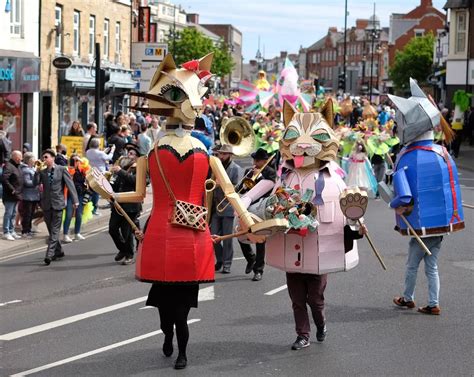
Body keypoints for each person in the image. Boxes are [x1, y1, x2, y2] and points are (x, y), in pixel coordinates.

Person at [387, 79, 464, 315]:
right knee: (432, 266)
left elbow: (404, 197)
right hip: (441, 224)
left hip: (421, 224)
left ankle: (408, 298)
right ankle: (433, 302)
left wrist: (391, 201)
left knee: (412, 265)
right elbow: (451, 187)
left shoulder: (408, 155)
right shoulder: (443, 152)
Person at [34, 149, 79, 265]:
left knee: (54, 231)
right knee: (51, 230)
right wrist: (37, 171)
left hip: (58, 203)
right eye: (43, 157)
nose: (44, 159)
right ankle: (59, 251)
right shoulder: (42, 172)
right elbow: (35, 183)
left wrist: (75, 200)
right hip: (47, 204)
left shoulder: (62, 169)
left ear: (53, 158)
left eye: (46, 157)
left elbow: (70, 185)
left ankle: (49, 255)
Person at [238, 148, 276, 281]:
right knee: (240, 234)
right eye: (254, 159)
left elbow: (270, 189)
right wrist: (248, 179)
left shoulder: (270, 172)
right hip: (248, 206)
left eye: (258, 160)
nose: (255, 162)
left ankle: (258, 269)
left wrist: (259, 177)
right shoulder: (249, 171)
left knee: (260, 239)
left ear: (265, 161)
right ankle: (250, 258)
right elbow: (241, 189)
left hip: (262, 208)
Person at [210, 144, 242, 273]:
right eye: (220, 154)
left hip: (228, 207)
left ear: (230, 155)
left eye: (224, 154)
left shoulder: (236, 169)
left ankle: (227, 264)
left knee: (227, 238)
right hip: (215, 207)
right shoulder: (215, 167)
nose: (221, 156)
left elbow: (237, 188)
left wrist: (221, 184)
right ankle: (220, 260)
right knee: (213, 237)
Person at [108, 143, 142, 265]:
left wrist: (120, 171)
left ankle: (129, 254)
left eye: (132, 153)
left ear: (137, 157)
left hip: (131, 206)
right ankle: (123, 250)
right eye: (128, 153)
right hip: (118, 205)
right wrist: (105, 182)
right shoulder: (123, 167)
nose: (129, 155)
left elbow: (136, 182)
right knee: (112, 229)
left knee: (126, 232)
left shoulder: (140, 168)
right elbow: (116, 186)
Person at [63, 154, 89, 242]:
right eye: (74, 160)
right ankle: (65, 235)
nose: (76, 162)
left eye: (77, 160)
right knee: (69, 215)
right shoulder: (69, 169)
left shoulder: (82, 169)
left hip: (80, 194)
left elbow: (89, 170)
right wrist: (72, 166)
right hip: (71, 195)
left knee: (79, 215)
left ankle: (77, 233)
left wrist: (81, 161)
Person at [86, 138, 115, 215]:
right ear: (98, 145)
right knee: (97, 192)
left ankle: (89, 208)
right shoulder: (100, 153)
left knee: (91, 191)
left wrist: (106, 150)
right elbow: (108, 157)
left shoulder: (88, 152)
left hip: (92, 172)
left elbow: (100, 155)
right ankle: (94, 210)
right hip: (100, 173)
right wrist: (112, 150)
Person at [2, 150, 23, 240]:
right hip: (10, 195)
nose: (21, 159)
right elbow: (4, 179)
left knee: (13, 213)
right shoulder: (8, 166)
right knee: (8, 213)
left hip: (16, 195)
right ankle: (6, 232)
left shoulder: (16, 166)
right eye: (19, 157)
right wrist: (12, 190)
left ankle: (11, 230)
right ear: (14, 157)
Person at [19, 152, 40, 238]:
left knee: (31, 214)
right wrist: (36, 181)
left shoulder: (32, 169)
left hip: (34, 195)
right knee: (27, 214)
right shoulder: (25, 170)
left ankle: (29, 229)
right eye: (33, 158)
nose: (35, 160)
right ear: (29, 160)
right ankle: (25, 231)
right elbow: (27, 183)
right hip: (28, 195)